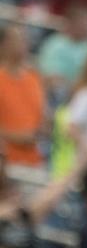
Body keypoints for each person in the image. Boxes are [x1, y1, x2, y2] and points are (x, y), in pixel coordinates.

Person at [0, 25, 46, 167]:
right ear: (3, 44)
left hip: (34, 161)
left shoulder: (34, 77)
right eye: (18, 39)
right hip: (5, 162)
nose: (24, 44)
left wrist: (44, 128)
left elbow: (43, 116)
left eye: (25, 39)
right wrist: (18, 136)